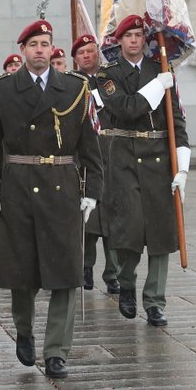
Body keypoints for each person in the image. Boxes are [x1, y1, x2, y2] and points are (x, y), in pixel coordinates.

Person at [0, 19, 102, 378]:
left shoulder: (75, 88)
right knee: (22, 271)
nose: (40, 50)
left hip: (62, 185)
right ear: (23, 50)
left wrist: (92, 190)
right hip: (18, 187)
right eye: (33, 44)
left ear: (52, 48)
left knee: (64, 274)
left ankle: (57, 352)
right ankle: (24, 328)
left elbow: (89, 146)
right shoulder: (1, 90)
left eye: (45, 44)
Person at [93, 15, 187, 329]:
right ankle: (127, 283)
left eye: (138, 35)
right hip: (123, 159)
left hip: (158, 160)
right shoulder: (107, 74)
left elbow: (176, 121)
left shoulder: (162, 68)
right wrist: (159, 85)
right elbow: (128, 108)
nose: (134, 40)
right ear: (119, 41)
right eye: (128, 36)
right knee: (128, 228)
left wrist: (183, 168)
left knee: (161, 234)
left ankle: (156, 302)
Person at [72, 34, 120, 295]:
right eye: (82, 53)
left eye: (91, 51)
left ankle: (112, 273)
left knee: (110, 218)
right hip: (85, 155)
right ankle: (86, 268)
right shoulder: (71, 83)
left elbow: (119, 107)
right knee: (87, 219)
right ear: (76, 58)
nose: (87, 56)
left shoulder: (109, 81)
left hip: (110, 152)